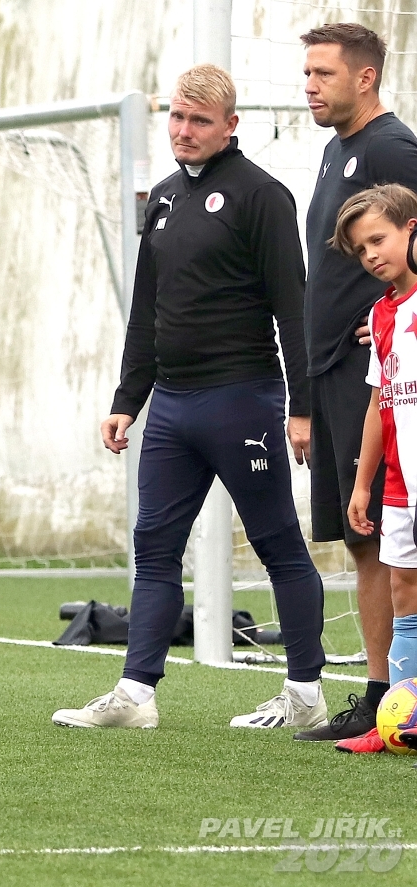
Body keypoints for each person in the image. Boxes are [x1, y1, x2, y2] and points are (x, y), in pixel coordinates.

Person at [51, 65, 328, 730]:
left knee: (277, 542)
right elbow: (147, 308)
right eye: (176, 116)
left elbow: (293, 310)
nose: (183, 130)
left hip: (242, 401)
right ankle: (135, 694)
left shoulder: (263, 196)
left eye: (199, 120)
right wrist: (128, 397)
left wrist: (302, 405)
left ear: (230, 125)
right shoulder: (165, 197)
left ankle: (305, 693)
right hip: (172, 409)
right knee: (154, 546)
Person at [294, 23, 417, 743]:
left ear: (365, 77)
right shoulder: (335, 151)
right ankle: (383, 694)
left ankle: (393, 692)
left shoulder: (391, 148)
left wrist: (399, 313)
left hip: (379, 378)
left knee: (388, 541)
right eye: (307, 73)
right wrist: (305, 399)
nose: (309, 86)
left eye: (323, 74)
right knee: (363, 537)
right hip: (336, 374)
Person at [326, 185, 417, 754]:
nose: (371, 255)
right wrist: (362, 483)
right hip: (400, 482)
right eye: (361, 250)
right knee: (403, 591)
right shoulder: (381, 314)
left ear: (412, 230)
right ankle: (397, 721)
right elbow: (380, 402)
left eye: (379, 239)